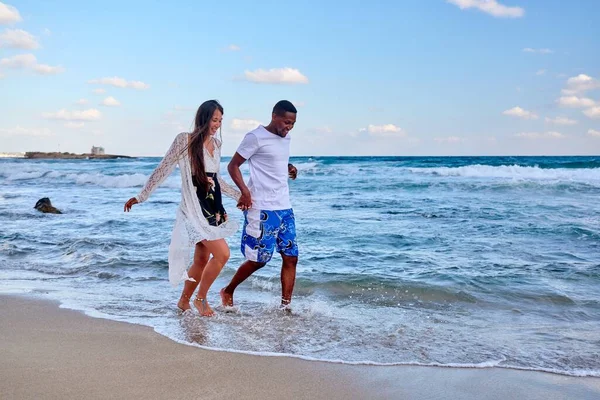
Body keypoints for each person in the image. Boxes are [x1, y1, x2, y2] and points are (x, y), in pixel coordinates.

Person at [123, 100, 240, 317]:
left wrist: (241, 196)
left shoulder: (216, 144)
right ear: (204, 118)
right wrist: (141, 196)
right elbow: (163, 168)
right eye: (215, 120)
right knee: (223, 254)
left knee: (202, 260)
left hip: (213, 209)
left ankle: (183, 302)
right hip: (193, 211)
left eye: (220, 121)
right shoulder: (184, 140)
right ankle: (201, 299)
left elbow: (217, 180)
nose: (217, 125)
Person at [220, 100, 299, 311]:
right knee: (259, 260)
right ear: (274, 116)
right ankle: (228, 290)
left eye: (292, 124)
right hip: (262, 207)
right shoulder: (255, 137)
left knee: (291, 257)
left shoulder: (286, 138)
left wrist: (288, 168)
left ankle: (286, 307)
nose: (288, 127)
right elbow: (233, 165)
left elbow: (275, 162)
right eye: (286, 122)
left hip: (284, 207)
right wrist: (245, 192)